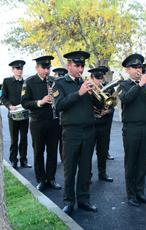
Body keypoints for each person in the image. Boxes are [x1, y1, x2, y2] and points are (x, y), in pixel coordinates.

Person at [53, 51, 101, 215]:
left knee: (86, 169)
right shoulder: (59, 83)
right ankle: (68, 201)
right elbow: (59, 106)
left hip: (88, 131)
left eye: (82, 66)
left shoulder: (86, 83)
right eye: (77, 65)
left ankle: (83, 199)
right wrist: (78, 93)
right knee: (70, 168)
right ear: (69, 66)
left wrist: (97, 93)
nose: (80, 69)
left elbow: (99, 106)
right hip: (71, 132)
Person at [117, 54, 146, 207]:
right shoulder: (123, 85)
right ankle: (131, 194)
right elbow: (126, 99)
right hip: (131, 128)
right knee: (131, 162)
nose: (139, 70)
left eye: (140, 67)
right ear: (128, 69)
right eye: (135, 68)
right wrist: (139, 85)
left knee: (143, 161)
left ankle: (140, 191)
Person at [21, 55, 62, 191]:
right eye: (44, 68)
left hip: (53, 122)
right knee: (38, 152)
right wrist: (40, 101)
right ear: (37, 68)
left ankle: (51, 178)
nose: (46, 71)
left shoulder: (54, 80)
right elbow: (25, 102)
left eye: (48, 68)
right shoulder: (29, 82)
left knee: (52, 152)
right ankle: (41, 180)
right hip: (37, 123)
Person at [1, 60, 31, 169]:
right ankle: (14, 160)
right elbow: (3, 97)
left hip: (24, 114)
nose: (20, 70)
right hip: (13, 114)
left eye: (21, 68)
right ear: (13, 70)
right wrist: (9, 106)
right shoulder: (7, 81)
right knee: (14, 139)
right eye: (17, 68)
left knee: (24, 138)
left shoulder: (27, 82)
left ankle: (24, 160)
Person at [89, 67, 114, 183]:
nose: (100, 81)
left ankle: (102, 173)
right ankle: (87, 175)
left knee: (102, 151)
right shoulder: (88, 90)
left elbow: (112, 104)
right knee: (87, 152)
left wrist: (108, 111)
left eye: (101, 78)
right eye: (97, 78)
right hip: (91, 124)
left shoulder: (107, 88)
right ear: (92, 78)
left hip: (103, 123)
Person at [98, 65, 115, 161]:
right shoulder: (94, 85)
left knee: (106, 135)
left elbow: (113, 101)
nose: (102, 78)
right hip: (96, 115)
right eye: (100, 76)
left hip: (107, 115)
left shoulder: (109, 86)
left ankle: (106, 152)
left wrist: (109, 111)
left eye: (103, 75)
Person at [52, 67, 67, 162]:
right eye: (58, 75)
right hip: (53, 119)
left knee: (63, 141)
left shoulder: (64, 86)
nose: (59, 77)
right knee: (53, 142)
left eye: (62, 75)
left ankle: (63, 158)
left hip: (63, 117)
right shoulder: (52, 85)